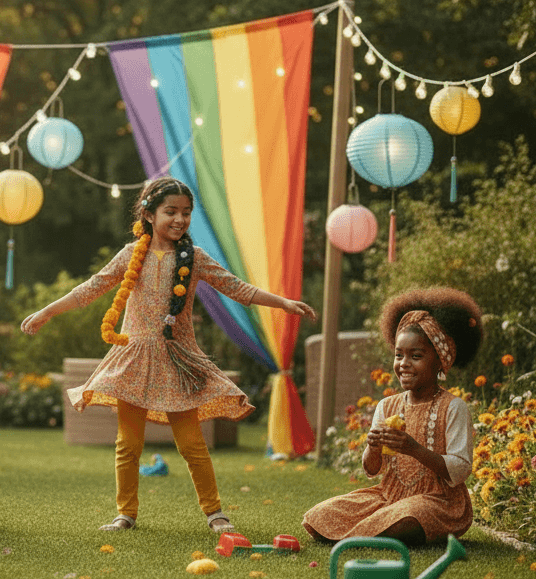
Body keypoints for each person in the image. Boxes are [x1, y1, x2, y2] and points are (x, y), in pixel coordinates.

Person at [21, 177, 316, 533]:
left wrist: (281, 302)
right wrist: (47, 312)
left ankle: (215, 513)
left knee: (192, 444)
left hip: (178, 362)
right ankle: (125, 514)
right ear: (148, 213)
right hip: (134, 359)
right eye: (171, 212)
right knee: (127, 445)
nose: (179, 219)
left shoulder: (193, 258)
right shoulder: (131, 255)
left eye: (186, 213)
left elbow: (235, 286)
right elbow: (91, 288)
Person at [302, 287, 484, 546]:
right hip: (388, 497)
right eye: (399, 355)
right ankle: (375, 530)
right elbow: (371, 469)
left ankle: (370, 531)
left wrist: (413, 448)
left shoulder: (454, 408)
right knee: (318, 517)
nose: (404, 364)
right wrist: (373, 447)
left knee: (409, 517)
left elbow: (459, 470)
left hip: (438, 503)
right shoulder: (387, 406)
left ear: (440, 362)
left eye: (416, 356)